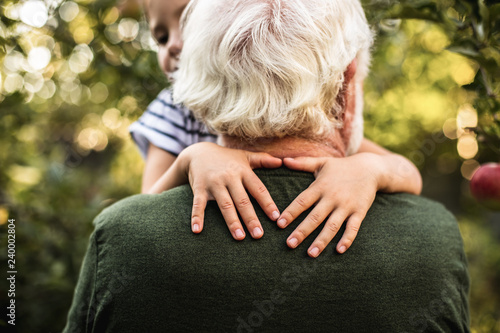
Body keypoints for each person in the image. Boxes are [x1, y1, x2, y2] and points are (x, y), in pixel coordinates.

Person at [64, 0, 470, 331]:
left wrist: (370, 169)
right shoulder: (437, 238)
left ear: (199, 85)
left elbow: (139, 217)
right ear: (348, 84)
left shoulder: (119, 241)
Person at [129, 0, 423, 257]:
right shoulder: (172, 112)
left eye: (186, 20)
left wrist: (370, 170)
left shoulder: (323, 119)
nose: (174, 45)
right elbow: (146, 210)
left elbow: (409, 174)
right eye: (161, 37)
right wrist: (189, 161)